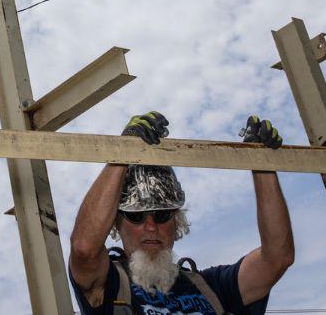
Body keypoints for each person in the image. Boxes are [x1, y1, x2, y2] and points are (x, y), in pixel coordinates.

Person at [68, 111, 295, 314]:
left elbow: (276, 258)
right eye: (136, 216)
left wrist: (263, 165)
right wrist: (123, 154)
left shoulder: (211, 287)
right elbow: (84, 250)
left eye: (162, 215)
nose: (150, 227)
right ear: (116, 223)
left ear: (177, 222)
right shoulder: (108, 286)